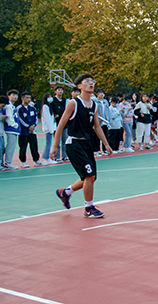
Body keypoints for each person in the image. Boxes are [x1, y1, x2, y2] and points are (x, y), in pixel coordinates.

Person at [52, 74, 113, 218]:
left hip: (87, 143)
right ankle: (88, 208)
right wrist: (54, 146)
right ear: (79, 86)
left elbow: (97, 127)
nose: (91, 83)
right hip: (74, 143)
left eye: (92, 81)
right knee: (89, 175)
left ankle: (65, 192)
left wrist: (106, 144)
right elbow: (61, 125)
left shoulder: (94, 105)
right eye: (87, 81)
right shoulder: (73, 103)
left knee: (90, 178)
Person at [17, 92, 43, 168]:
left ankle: (36, 160)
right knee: (23, 146)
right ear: (22, 98)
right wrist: (28, 126)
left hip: (32, 131)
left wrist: (33, 126)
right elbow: (20, 119)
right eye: (27, 98)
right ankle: (23, 161)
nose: (29, 99)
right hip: (23, 132)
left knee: (34, 146)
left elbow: (35, 118)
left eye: (29, 98)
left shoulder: (32, 108)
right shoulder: (19, 108)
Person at [3, 89, 21, 170]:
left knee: (11, 146)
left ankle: (8, 162)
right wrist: (15, 125)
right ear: (8, 96)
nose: (15, 97)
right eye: (13, 95)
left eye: (16, 95)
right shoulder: (8, 106)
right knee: (10, 146)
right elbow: (9, 118)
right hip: (11, 129)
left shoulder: (13, 106)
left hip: (14, 129)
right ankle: (8, 162)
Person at [51, 85, 68, 162]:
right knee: (57, 142)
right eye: (58, 90)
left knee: (65, 141)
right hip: (56, 124)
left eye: (61, 90)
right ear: (55, 91)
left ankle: (65, 156)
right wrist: (62, 111)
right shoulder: (53, 101)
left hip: (65, 124)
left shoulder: (65, 100)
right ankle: (57, 157)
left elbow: (66, 110)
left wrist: (60, 111)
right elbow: (56, 110)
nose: (60, 91)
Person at [41, 93, 59, 165]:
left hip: (51, 128)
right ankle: (46, 158)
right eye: (48, 97)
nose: (50, 98)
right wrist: (51, 129)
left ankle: (46, 157)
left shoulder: (49, 106)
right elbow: (47, 119)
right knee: (48, 143)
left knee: (49, 143)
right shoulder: (45, 107)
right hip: (48, 129)